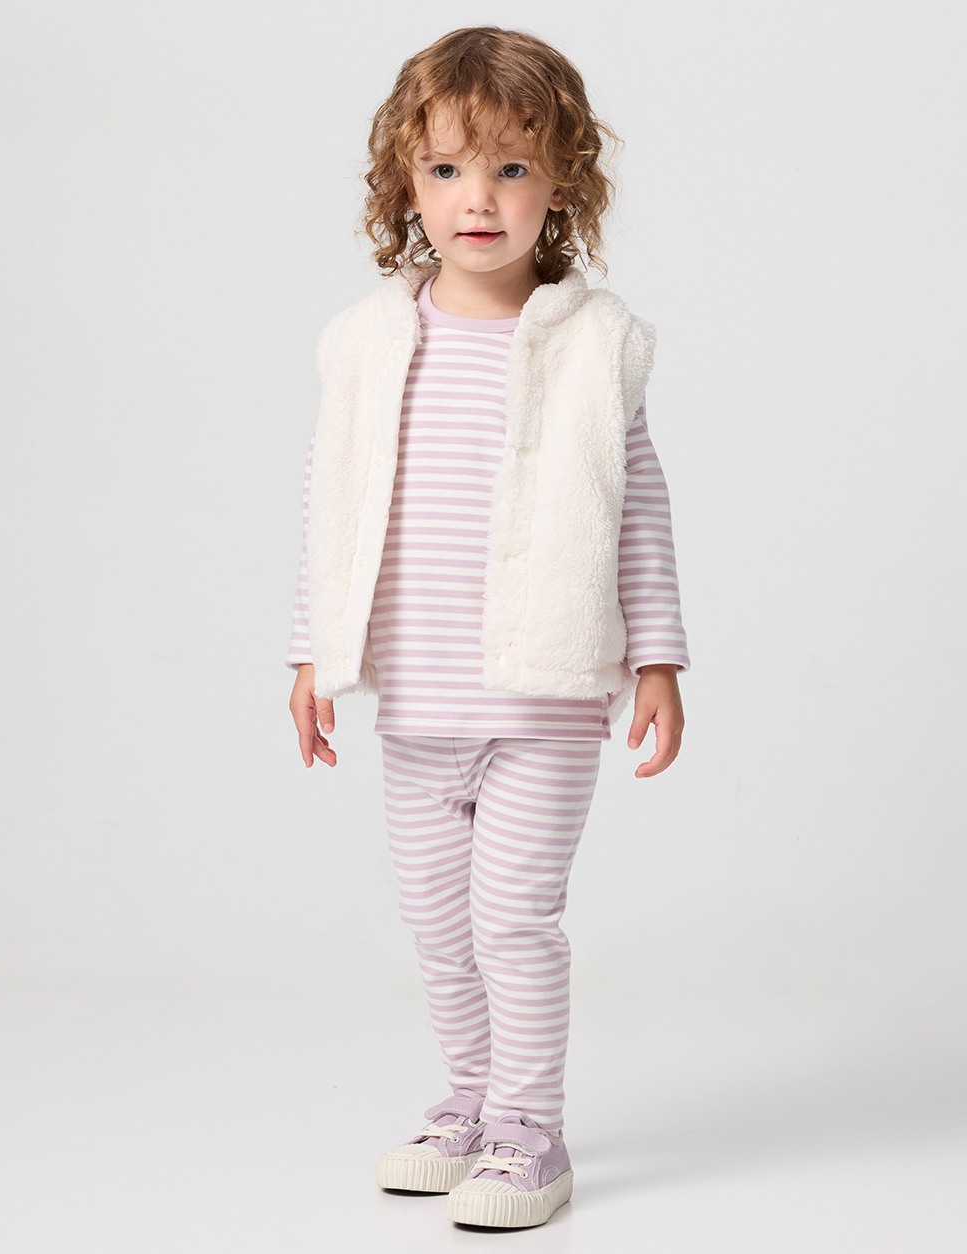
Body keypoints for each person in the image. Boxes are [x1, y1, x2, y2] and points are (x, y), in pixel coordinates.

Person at [286, 26, 689, 1230]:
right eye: (448, 169)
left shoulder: (592, 345)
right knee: (436, 924)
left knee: (513, 919)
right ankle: (465, 1102)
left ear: (559, 185)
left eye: (512, 169)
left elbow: (638, 506)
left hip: (543, 700)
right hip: (416, 701)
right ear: (404, 184)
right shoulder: (366, 344)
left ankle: (527, 1130)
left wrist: (657, 657)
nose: (479, 198)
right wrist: (310, 652)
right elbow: (331, 503)